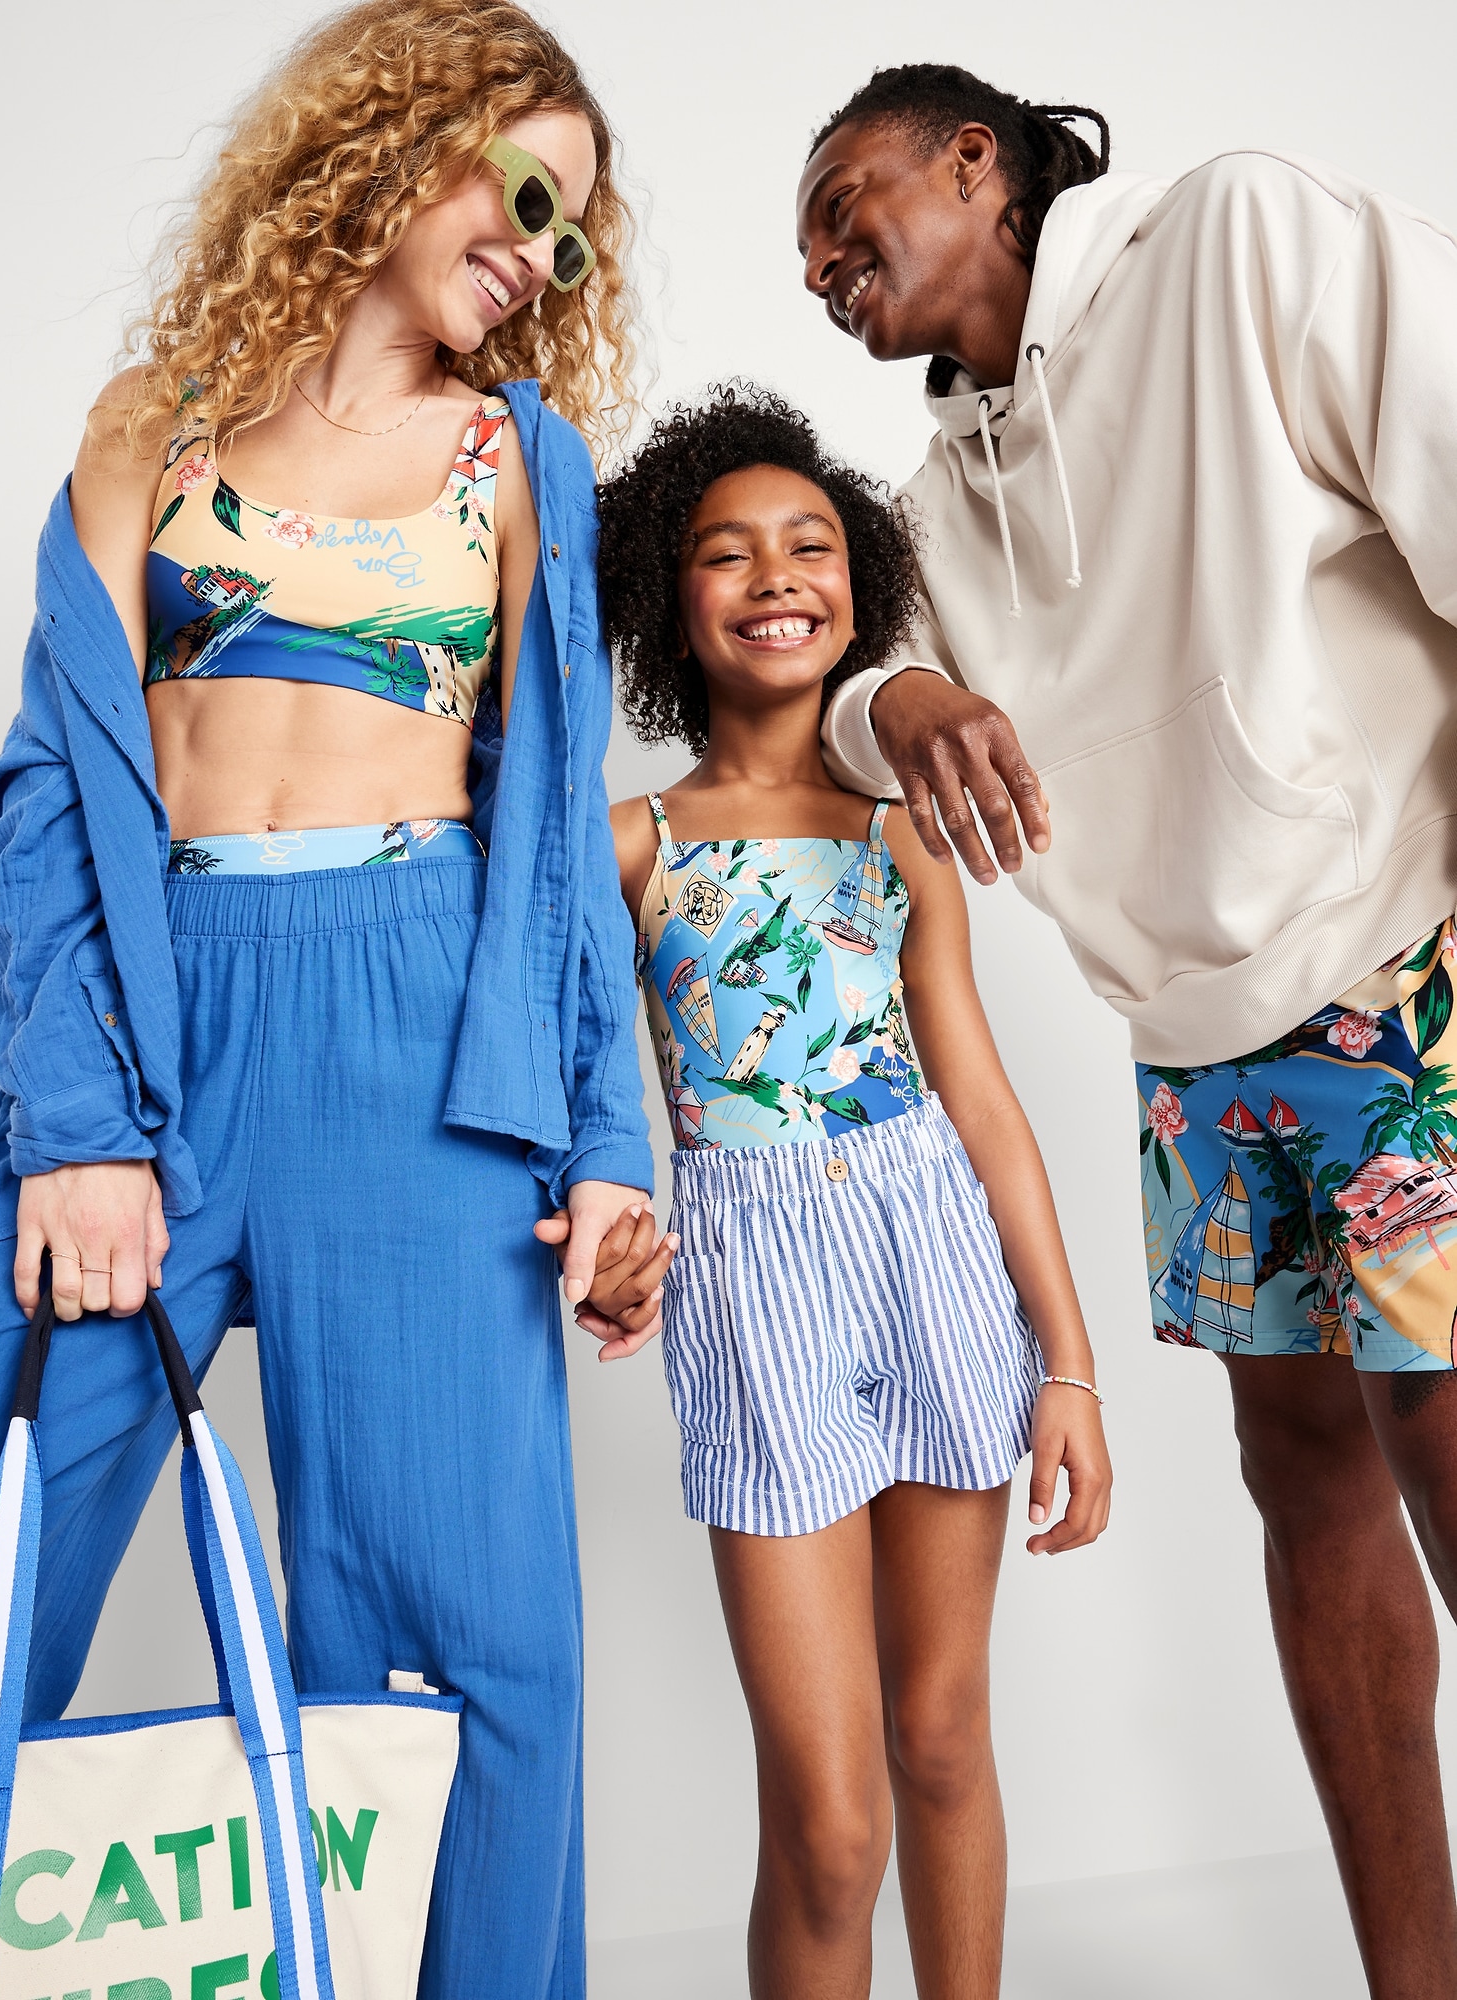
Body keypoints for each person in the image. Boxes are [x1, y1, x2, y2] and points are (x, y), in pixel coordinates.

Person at [0, 3, 660, 1993]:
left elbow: (553, 821)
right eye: (525, 191)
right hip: (159, 1032)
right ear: (398, 140)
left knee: (463, 1653)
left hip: (422, 1042)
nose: (542, 253)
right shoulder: (151, 424)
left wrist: (608, 1142)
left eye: (575, 235)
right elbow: (46, 795)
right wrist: (79, 1126)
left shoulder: (518, 460)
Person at [800, 61, 1457, 1994]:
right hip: (1199, 1049)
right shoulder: (938, 504)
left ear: (976, 159)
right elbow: (842, 683)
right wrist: (900, 702)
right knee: (1305, 1484)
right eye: (808, 257)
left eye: (845, 206)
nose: (824, 264)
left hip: (1403, 951)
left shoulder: (1235, 236)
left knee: (1445, 1449)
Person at [580, 386, 1111, 2000]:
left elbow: (984, 1105)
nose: (775, 577)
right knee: (829, 1823)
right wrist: (607, 1234)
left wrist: (1070, 1365)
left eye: (810, 544)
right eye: (726, 552)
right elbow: (579, 1089)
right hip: (754, 1282)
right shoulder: (629, 843)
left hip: (931, 1253)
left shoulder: (901, 838)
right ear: (669, 598)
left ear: (859, 584)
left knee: (941, 1737)